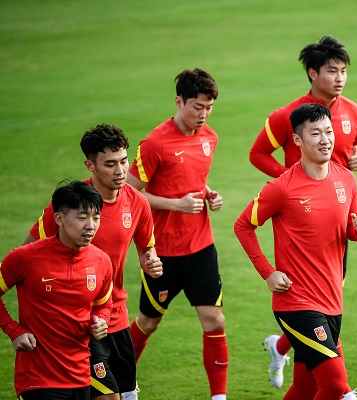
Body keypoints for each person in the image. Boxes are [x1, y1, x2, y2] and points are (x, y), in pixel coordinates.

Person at [250, 35, 357, 397]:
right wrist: (291, 186)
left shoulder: (355, 114)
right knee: (333, 382)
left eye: (343, 71)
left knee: (306, 381)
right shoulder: (285, 116)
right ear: (312, 73)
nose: (339, 78)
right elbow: (258, 154)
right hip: (299, 230)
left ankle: (280, 347)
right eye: (332, 71)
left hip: (335, 222)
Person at [23, 124, 163, 400]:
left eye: (123, 161)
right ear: (90, 165)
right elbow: (26, 253)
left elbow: (147, 249)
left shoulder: (137, 202)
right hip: (78, 323)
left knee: (127, 395)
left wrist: (151, 262)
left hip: (117, 317)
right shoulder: (70, 205)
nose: (120, 170)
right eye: (110, 164)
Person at [126, 68, 228, 400]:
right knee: (149, 322)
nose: (204, 114)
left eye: (209, 107)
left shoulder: (210, 138)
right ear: (179, 101)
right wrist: (176, 205)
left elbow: (193, 179)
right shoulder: (155, 143)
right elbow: (128, 193)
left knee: (215, 320)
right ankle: (121, 384)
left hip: (201, 246)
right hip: (162, 252)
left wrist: (209, 194)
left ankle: (219, 397)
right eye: (197, 106)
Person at [0, 180, 113, 400]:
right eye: (82, 217)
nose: (91, 225)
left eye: (96, 217)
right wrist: (14, 331)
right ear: (59, 219)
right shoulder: (26, 257)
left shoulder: (102, 261)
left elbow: (104, 305)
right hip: (37, 380)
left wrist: (101, 321)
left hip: (81, 376)